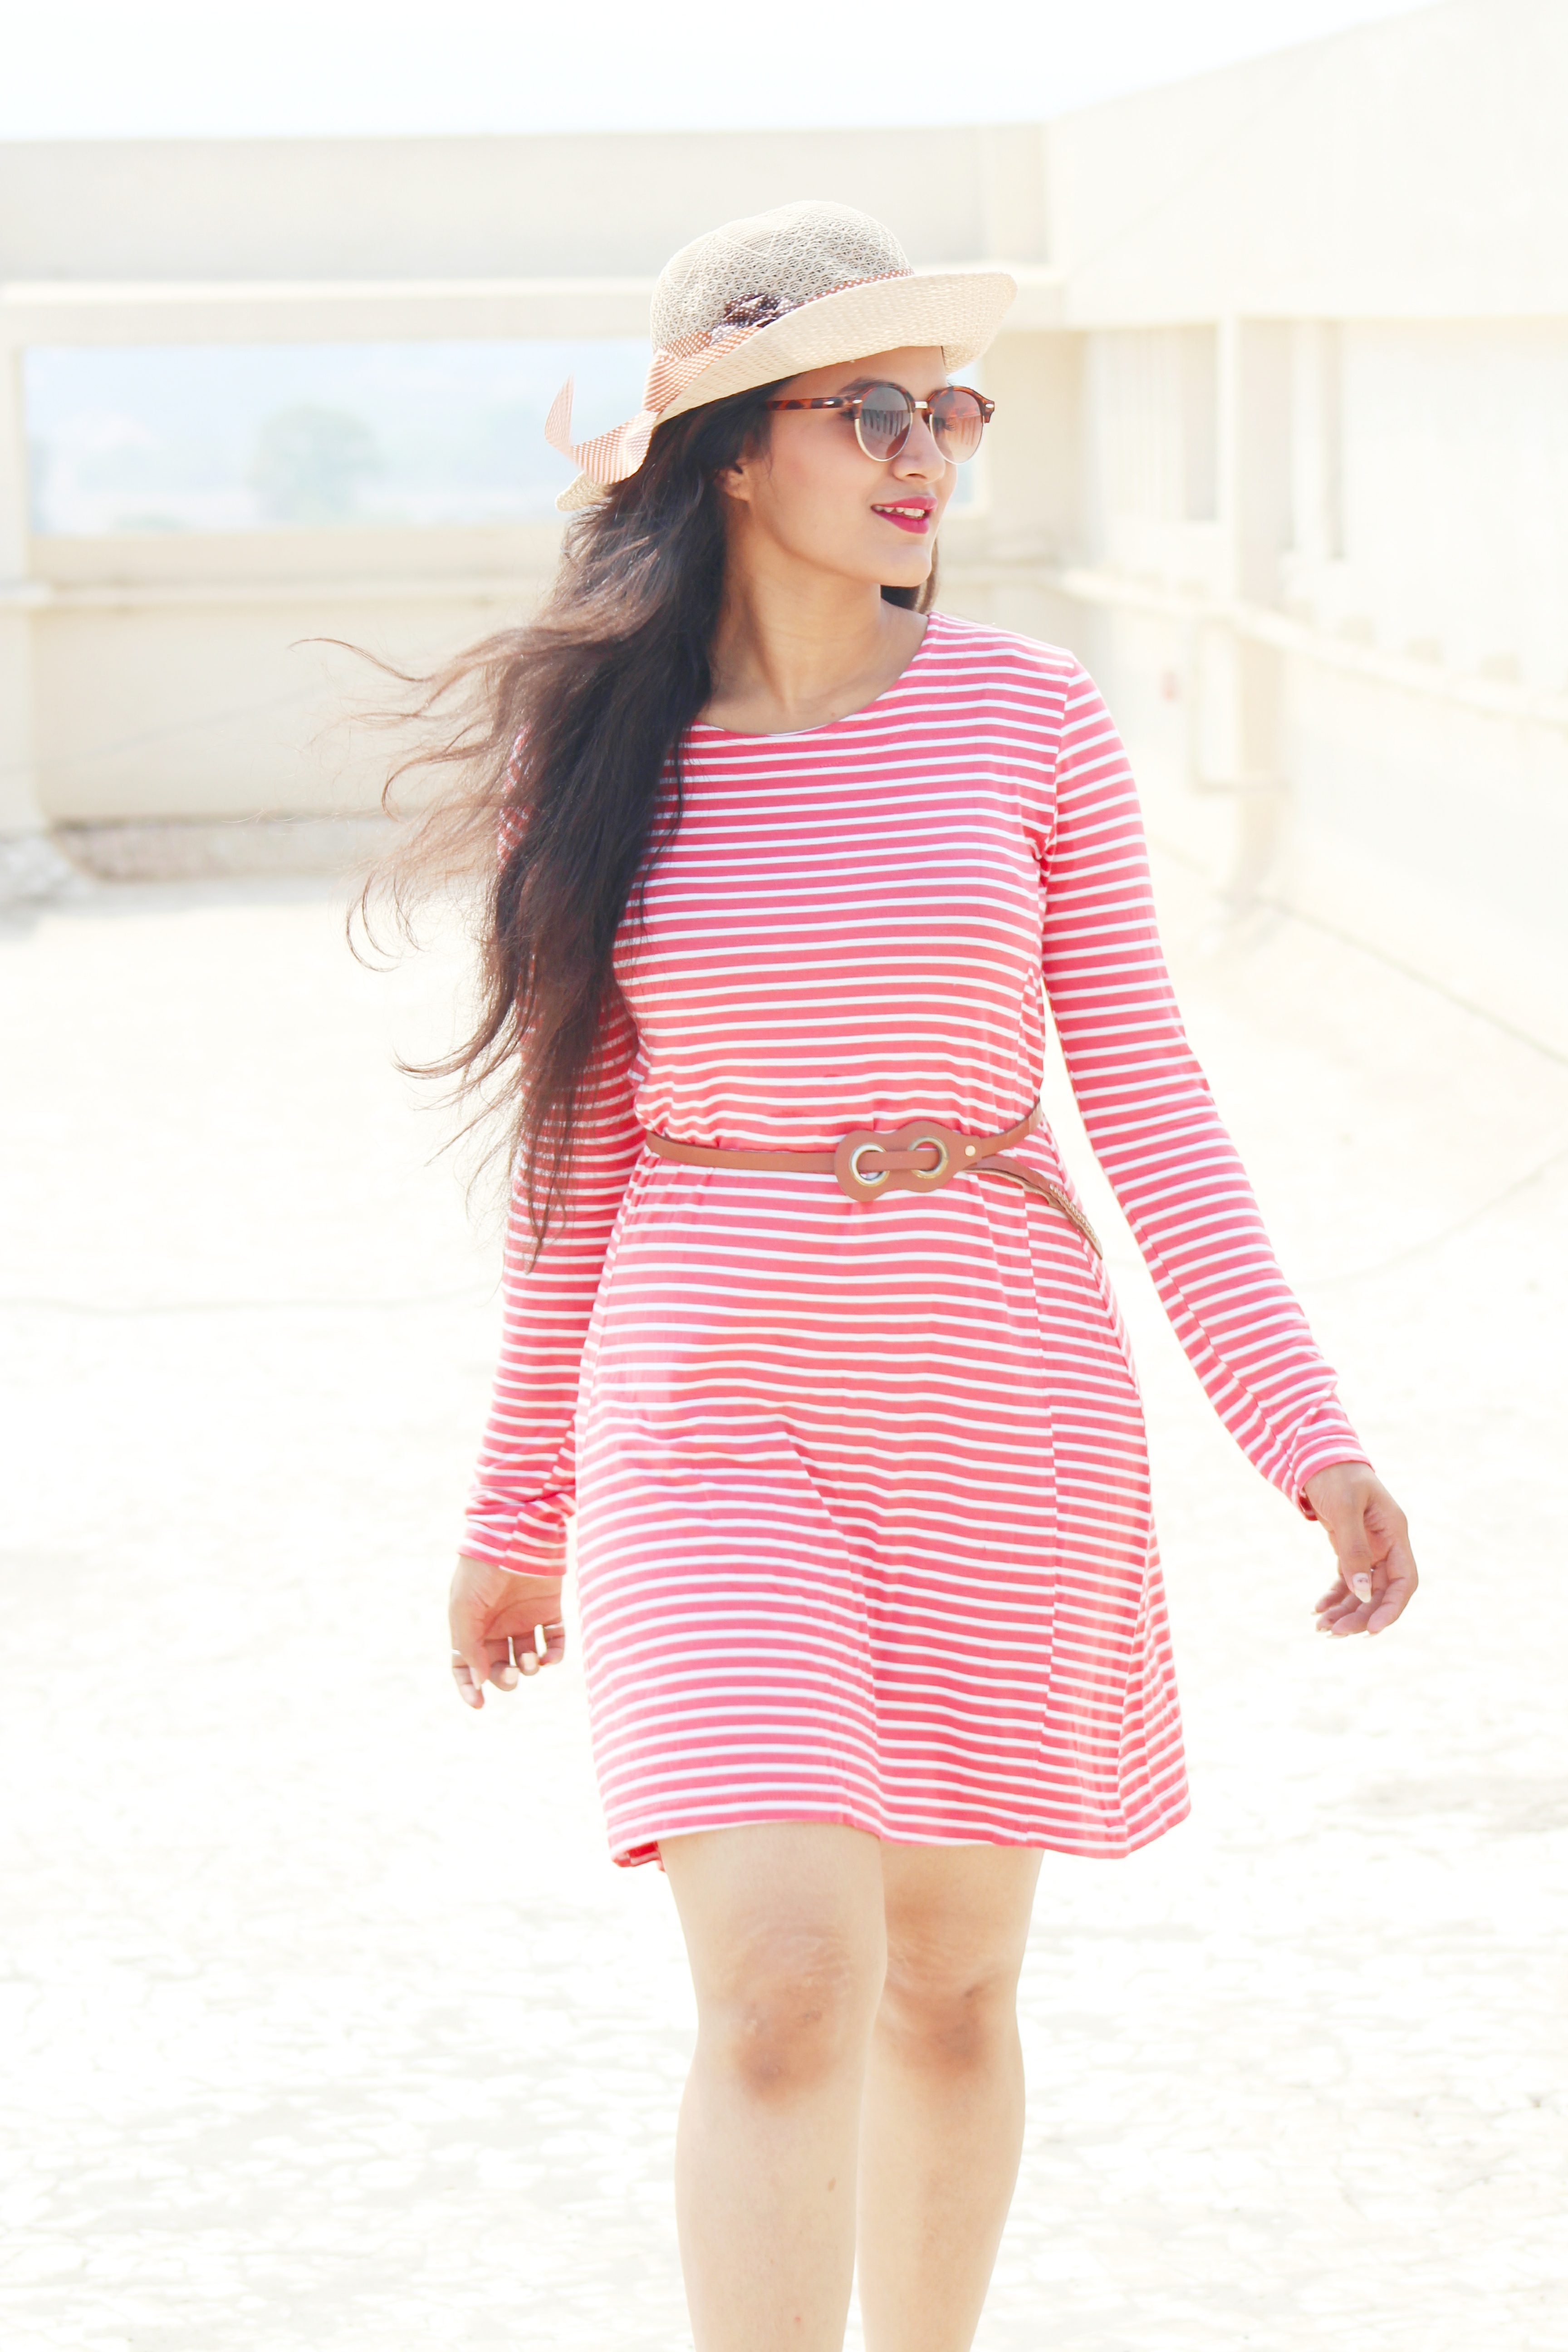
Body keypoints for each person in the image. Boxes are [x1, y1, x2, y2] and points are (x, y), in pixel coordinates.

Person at [380, 200, 1417, 2352]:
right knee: (782, 1986)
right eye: (867, 410)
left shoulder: (1030, 719)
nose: (924, 448)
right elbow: (578, 1158)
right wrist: (512, 1504)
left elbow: (1145, 1095)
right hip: (708, 1423)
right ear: (729, 452)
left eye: (947, 409)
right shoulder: (593, 755)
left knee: (947, 1984)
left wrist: (1303, 1431)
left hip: (996, 1407)